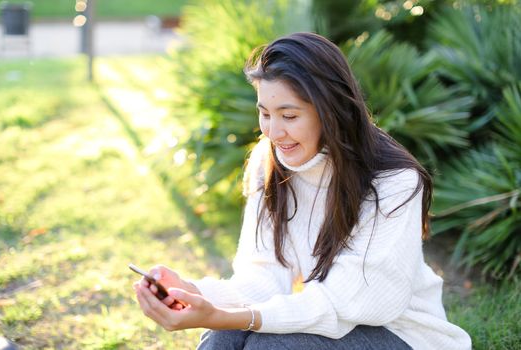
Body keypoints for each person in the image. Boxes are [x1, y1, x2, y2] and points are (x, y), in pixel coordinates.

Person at [133, 32, 472, 349]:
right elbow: (265, 277)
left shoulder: (394, 181)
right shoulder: (268, 162)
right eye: (265, 113)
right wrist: (193, 292)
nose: (274, 132)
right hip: (327, 318)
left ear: (331, 111)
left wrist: (238, 317)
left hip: (402, 334)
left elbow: (349, 301)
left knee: (268, 344)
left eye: (289, 116)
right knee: (225, 337)